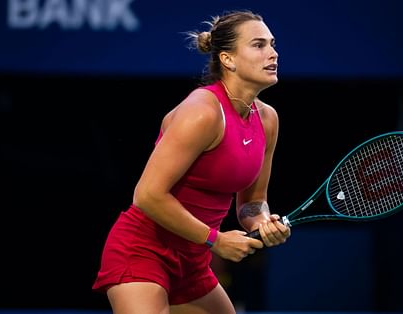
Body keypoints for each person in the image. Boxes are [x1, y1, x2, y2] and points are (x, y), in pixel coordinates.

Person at [92, 10, 290, 314]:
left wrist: (263, 223)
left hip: (194, 261)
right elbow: (147, 195)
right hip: (144, 250)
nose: (273, 53)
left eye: (273, 44)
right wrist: (216, 240)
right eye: (259, 45)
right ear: (228, 59)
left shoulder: (268, 120)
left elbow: (253, 202)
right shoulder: (202, 113)